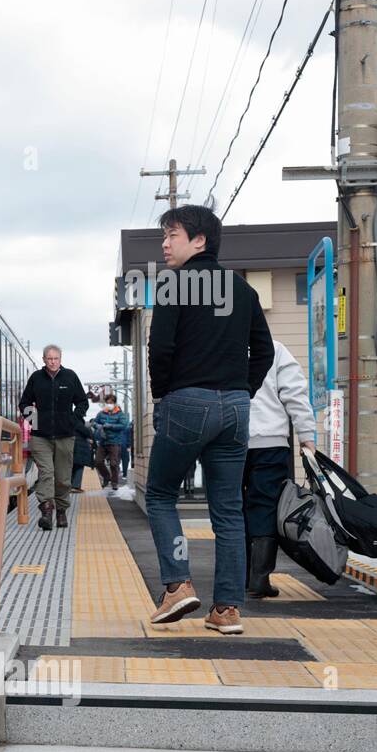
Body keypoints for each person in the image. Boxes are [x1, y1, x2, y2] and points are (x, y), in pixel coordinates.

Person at [146, 204, 275, 635]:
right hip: (236, 408)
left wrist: (164, 396)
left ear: (199, 241)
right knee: (229, 510)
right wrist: (244, 390)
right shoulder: (243, 290)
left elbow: (160, 349)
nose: (164, 244)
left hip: (186, 403)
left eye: (173, 235)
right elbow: (265, 352)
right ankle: (226, 610)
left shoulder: (173, 284)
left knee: (161, 494)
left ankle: (178, 585)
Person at [245, 339, 316, 597]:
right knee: (265, 506)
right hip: (270, 441)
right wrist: (306, 435)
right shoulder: (274, 348)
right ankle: (259, 579)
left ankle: (237, 576)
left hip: (227, 440)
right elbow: (294, 393)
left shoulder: (216, 343)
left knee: (230, 507)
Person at [19, 344, 89, 530]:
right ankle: (47, 511)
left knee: (63, 477)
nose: (52, 362)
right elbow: (24, 402)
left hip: (65, 436)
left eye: (55, 358)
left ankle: (61, 511)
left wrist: (73, 421)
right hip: (40, 436)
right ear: (44, 359)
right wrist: (34, 421)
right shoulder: (36, 378)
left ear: (60, 359)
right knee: (46, 473)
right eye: (49, 358)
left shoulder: (70, 376)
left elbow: (82, 402)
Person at [93, 394, 131, 488]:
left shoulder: (120, 414)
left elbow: (124, 425)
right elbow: (94, 422)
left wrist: (111, 426)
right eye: (107, 403)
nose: (109, 404)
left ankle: (114, 483)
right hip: (103, 441)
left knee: (114, 463)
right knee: (98, 461)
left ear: (114, 403)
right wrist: (97, 425)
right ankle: (106, 477)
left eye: (111, 403)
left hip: (115, 442)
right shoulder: (101, 413)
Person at [71, 418, 96, 492]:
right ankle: (75, 486)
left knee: (71, 467)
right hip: (79, 448)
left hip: (71, 447)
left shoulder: (67, 423)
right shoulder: (78, 424)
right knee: (79, 467)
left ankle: (70, 485)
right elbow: (88, 433)